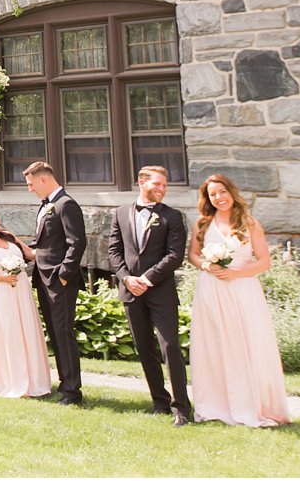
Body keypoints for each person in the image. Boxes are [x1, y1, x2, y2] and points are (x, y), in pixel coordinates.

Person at [187, 173, 291, 427]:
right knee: (213, 345)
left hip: (242, 289)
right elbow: (193, 255)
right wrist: (206, 266)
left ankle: (250, 404)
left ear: (231, 192)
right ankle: (215, 404)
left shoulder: (249, 223)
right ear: (207, 199)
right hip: (211, 290)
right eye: (213, 194)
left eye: (222, 191)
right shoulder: (203, 222)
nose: (219, 197)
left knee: (246, 344)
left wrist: (235, 273)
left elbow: (264, 262)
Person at [106, 165, 191, 426]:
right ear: (142, 182)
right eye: (158, 185)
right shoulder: (120, 213)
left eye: (165, 186)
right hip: (131, 293)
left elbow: (175, 255)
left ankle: (182, 408)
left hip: (161, 292)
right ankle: (159, 402)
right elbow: (113, 251)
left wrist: (146, 278)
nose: (162, 190)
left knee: (170, 346)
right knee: (144, 348)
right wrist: (126, 278)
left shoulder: (172, 217)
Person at [24, 160, 86, 406]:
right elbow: (46, 244)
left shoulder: (65, 204)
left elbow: (77, 243)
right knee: (55, 334)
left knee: (63, 333)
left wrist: (63, 275)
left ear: (43, 179)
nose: (29, 189)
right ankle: (65, 385)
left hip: (59, 282)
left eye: (30, 184)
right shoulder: (46, 206)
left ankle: (73, 391)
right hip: (44, 279)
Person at [0, 208, 49, 399]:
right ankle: (13, 382)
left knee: (28, 332)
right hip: (3, 294)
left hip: (22, 291)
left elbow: (30, 254)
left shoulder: (9, 236)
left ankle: (35, 382)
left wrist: (53, 247)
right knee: (11, 335)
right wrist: (1, 277)